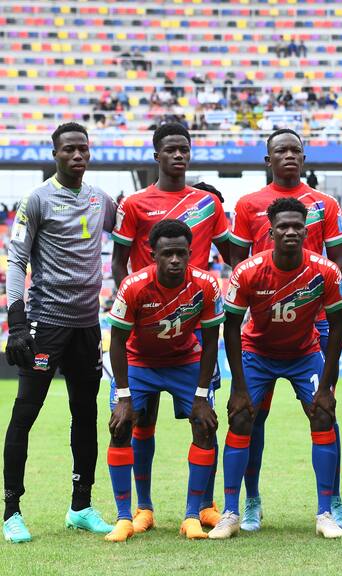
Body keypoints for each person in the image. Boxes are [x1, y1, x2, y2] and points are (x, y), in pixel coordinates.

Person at [110, 122, 231, 534]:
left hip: (195, 324)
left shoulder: (208, 203)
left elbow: (233, 254)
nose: (179, 155)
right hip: (147, 324)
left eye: (184, 149)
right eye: (171, 149)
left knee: (206, 418)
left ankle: (204, 506)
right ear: (156, 155)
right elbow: (118, 261)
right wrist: (137, 305)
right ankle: (140, 509)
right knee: (138, 422)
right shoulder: (135, 204)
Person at [229, 128, 342, 531]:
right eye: (281, 151)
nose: (289, 156)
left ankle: (332, 501)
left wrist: (311, 300)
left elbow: (338, 259)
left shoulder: (324, 204)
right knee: (252, 416)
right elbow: (237, 260)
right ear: (268, 160)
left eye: (296, 150)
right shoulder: (248, 204)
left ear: (304, 157)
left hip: (315, 323)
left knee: (324, 408)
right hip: (265, 323)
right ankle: (251, 500)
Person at [2, 123, 117, 543]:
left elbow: (135, 225)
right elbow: (17, 260)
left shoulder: (100, 199)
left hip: (87, 327)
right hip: (45, 325)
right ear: (55, 154)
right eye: (69, 149)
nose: (77, 155)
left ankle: (81, 507)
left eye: (83, 148)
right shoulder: (36, 199)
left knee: (85, 415)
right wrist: (17, 321)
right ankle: (11, 511)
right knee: (25, 414)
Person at [104, 220, 224, 542]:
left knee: (205, 426)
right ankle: (129, 516)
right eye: (168, 253)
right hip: (139, 362)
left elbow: (211, 342)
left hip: (185, 361)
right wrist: (124, 397)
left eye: (181, 253)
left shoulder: (206, 285)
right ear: (153, 255)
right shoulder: (133, 286)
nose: (175, 260)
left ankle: (192, 515)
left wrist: (202, 396)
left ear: (190, 253)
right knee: (121, 426)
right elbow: (117, 342)